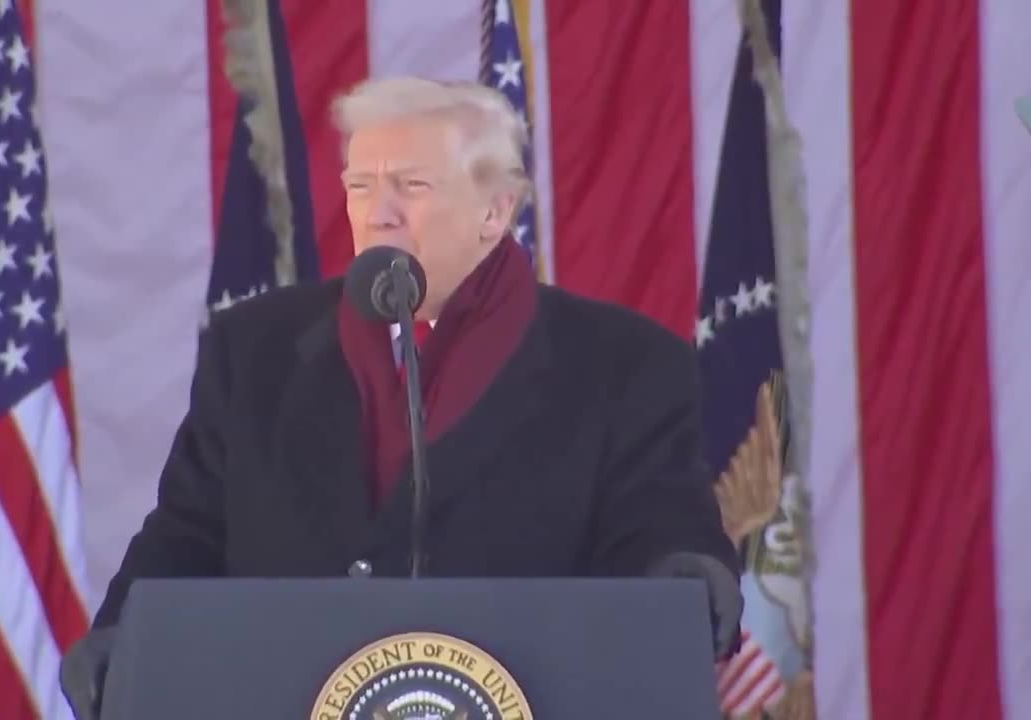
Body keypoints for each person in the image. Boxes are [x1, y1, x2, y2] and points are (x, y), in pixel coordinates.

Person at [59, 76, 743, 718]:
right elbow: (190, 529)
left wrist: (684, 572)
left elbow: (657, 521)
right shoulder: (256, 348)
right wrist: (125, 631)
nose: (376, 212)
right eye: (360, 185)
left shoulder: (620, 362)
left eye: (410, 186)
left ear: (495, 211)